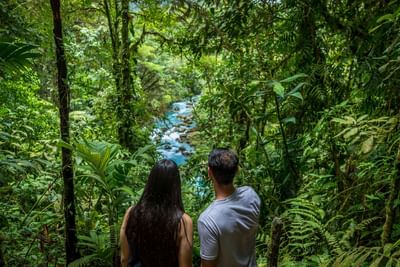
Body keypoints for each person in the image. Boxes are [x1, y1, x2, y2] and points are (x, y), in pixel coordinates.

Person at [120, 159, 193, 267]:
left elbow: (124, 259)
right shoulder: (183, 222)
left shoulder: (131, 213)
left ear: (151, 182)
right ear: (176, 185)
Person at [198, 148, 261, 267]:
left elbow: (207, 265)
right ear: (237, 170)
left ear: (209, 173)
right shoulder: (251, 196)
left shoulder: (208, 220)